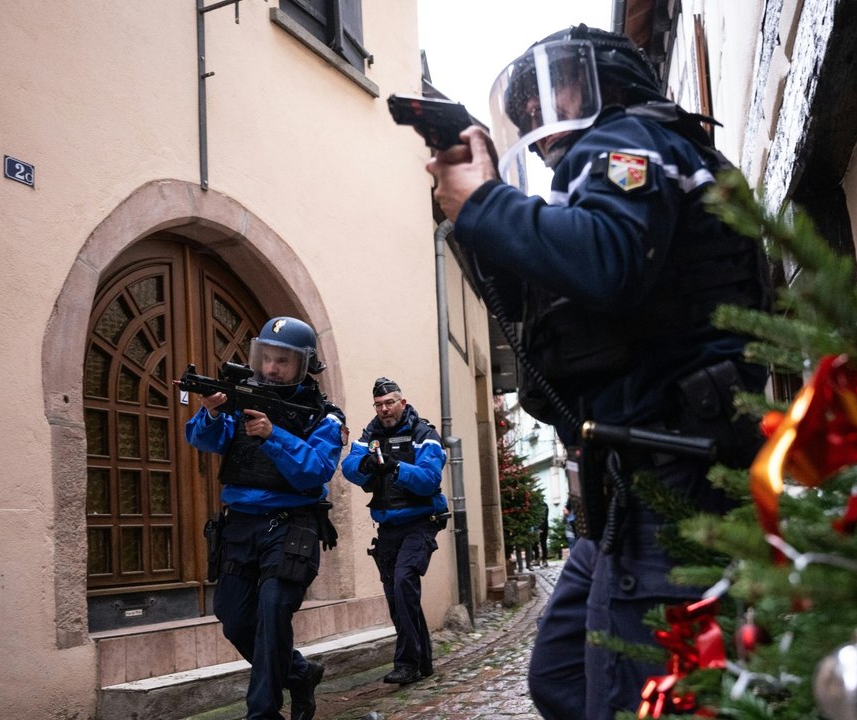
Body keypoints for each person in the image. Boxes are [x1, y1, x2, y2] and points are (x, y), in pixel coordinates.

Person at [425, 24, 771, 720]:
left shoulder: (629, 143)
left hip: (673, 467)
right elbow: (551, 300)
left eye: (552, 95)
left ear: (609, 82)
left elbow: (605, 262)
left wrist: (487, 204)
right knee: (561, 673)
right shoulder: (613, 168)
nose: (538, 120)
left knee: (635, 699)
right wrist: (480, 196)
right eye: (524, 111)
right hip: (632, 478)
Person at [184, 316, 346, 720]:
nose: (272, 368)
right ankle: (299, 673)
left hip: (293, 524)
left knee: (273, 612)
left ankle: (262, 713)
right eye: (267, 358)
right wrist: (213, 412)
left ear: (304, 366)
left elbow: (315, 471)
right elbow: (202, 439)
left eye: (283, 361)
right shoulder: (244, 399)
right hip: (240, 524)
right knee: (235, 619)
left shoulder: (324, 418)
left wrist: (274, 435)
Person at [340, 377, 448, 686]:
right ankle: (423, 660)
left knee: (403, 583)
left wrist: (396, 468)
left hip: (420, 523)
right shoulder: (370, 433)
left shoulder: (423, 433)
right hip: (388, 527)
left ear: (402, 402)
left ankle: (406, 664)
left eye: (389, 403)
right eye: (379, 404)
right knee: (398, 595)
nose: (384, 409)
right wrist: (369, 467)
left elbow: (429, 478)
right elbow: (349, 467)